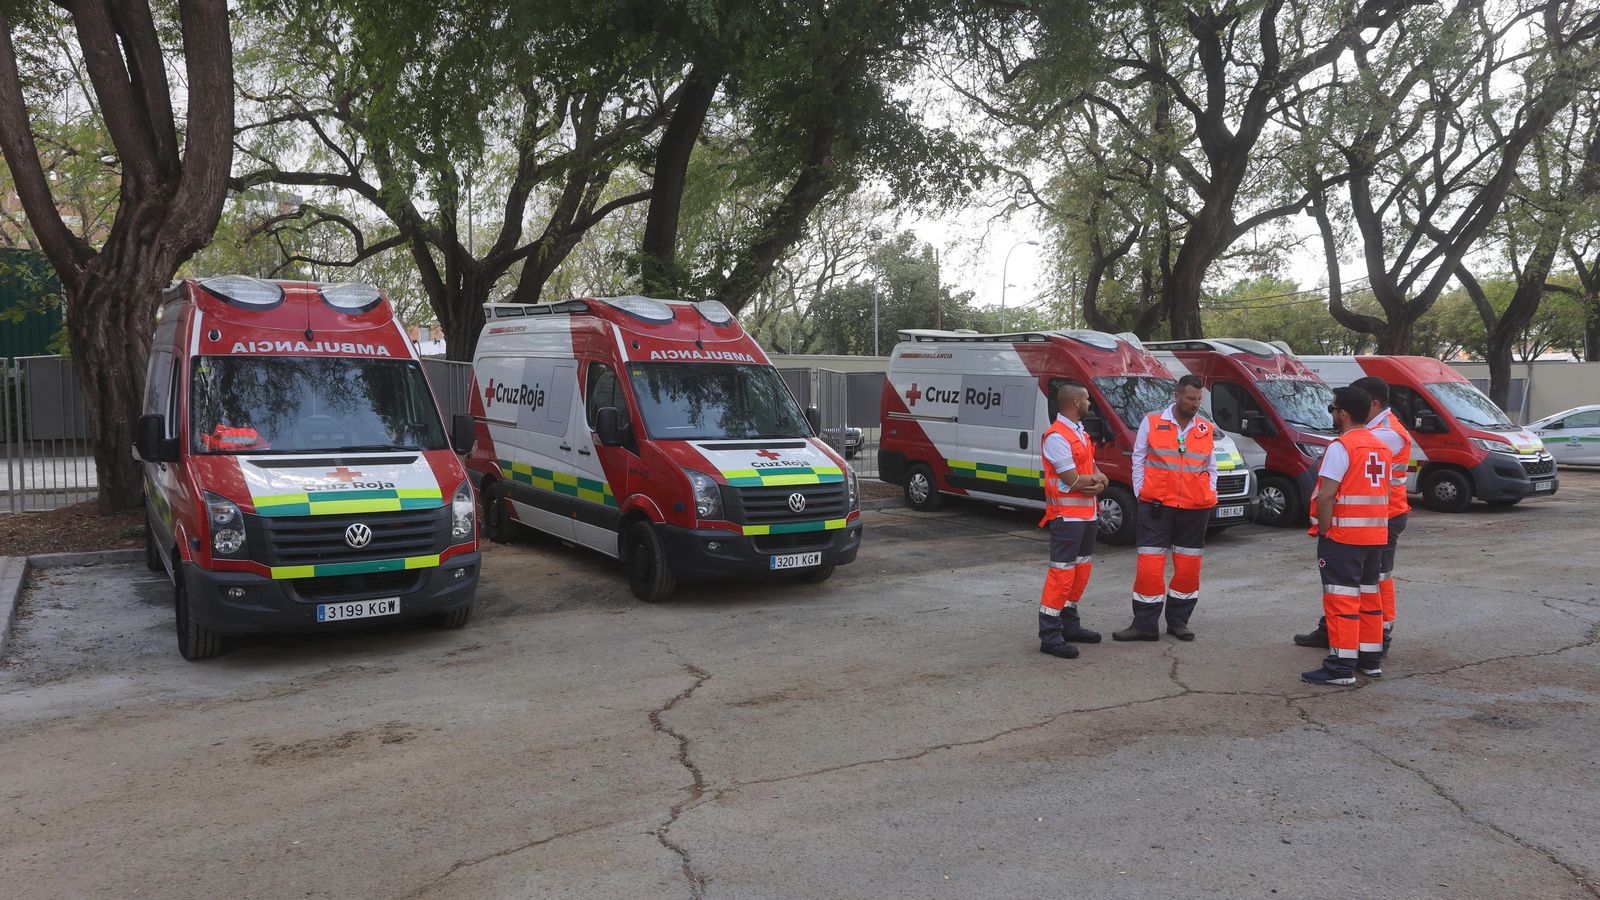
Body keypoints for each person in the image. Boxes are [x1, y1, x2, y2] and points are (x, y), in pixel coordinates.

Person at [1294, 376, 1411, 671]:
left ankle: (1342, 664)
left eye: (1332, 409)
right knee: (1369, 592)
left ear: (1343, 413)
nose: (1331, 415)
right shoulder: (1379, 443)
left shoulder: (1349, 444)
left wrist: (1324, 531)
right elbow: (1383, 489)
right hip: (1375, 528)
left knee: (1343, 596)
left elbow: (1327, 494)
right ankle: (1370, 658)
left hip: (1348, 531)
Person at [1114, 374, 1217, 642]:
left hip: (1194, 509)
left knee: (1188, 569)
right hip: (1156, 507)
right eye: (1190, 398)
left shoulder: (1205, 428)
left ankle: (1178, 622)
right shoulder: (1152, 422)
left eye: (1199, 399)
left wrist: (1210, 492)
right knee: (1149, 566)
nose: (1195, 404)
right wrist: (1141, 494)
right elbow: (1138, 459)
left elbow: (1210, 467)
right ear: (1177, 396)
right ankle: (1145, 625)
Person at [1036, 380, 1107, 659]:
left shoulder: (1080, 433)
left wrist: (1098, 482)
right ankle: (1050, 635)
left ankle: (1070, 625)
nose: (1090, 403)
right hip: (1067, 518)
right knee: (1061, 576)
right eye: (1087, 399)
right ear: (1075, 402)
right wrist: (1094, 481)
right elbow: (1071, 479)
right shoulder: (1056, 436)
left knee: (1080, 573)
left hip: (1087, 515)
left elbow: (1094, 473)